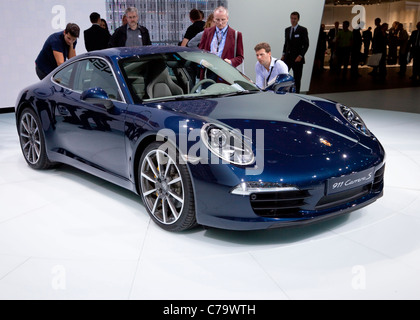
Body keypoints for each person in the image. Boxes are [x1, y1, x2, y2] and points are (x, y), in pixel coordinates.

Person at [281, 11, 309, 93]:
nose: (293, 20)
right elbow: (286, 43)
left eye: (295, 19)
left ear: (298, 19)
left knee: (297, 78)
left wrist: (301, 56)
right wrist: (283, 55)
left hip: (297, 59)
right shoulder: (287, 30)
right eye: (291, 18)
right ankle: (283, 92)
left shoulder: (303, 30)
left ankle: (297, 94)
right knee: (283, 76)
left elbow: (306, 44)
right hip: (287, 58)